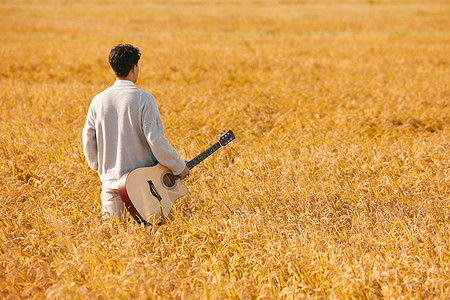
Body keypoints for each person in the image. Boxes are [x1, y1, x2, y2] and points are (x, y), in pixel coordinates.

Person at [82, 44, 189, 221]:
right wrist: (178, 166)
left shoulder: (98, 101)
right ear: (134, 67)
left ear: (113, 68)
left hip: (111, 185)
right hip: (144, 186)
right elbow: (156, 142)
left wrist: (98, 165)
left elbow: (88, 138)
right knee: (149, 241)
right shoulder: (144, 99)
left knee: (113, 239)